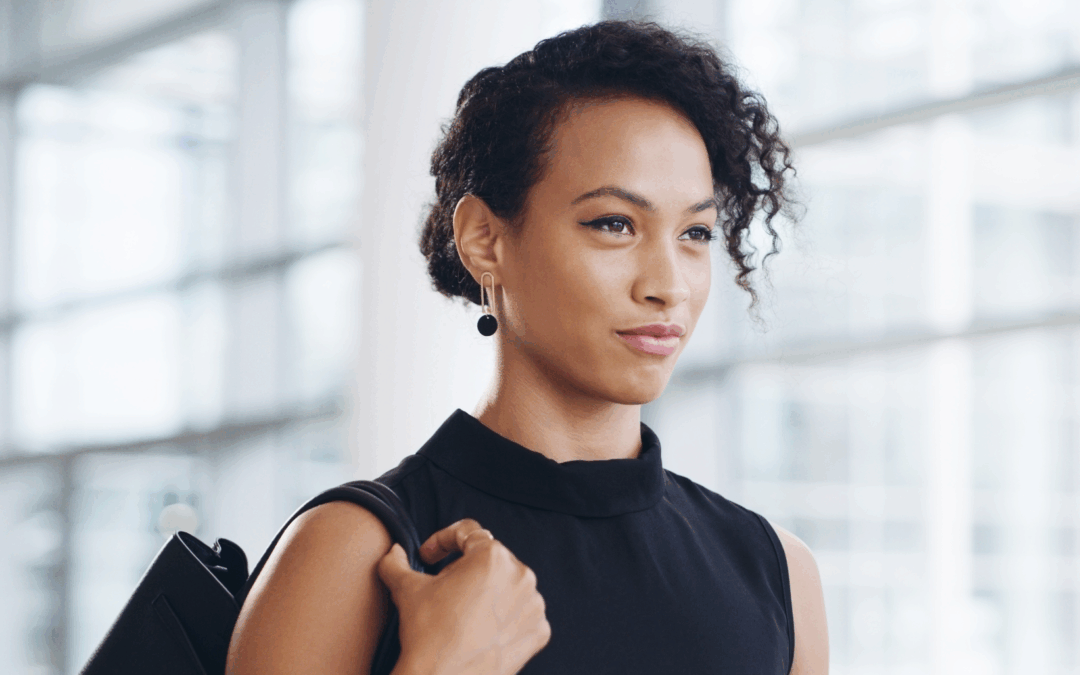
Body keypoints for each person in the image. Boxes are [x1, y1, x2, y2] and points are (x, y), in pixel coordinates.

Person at [226, 19, 828, 675]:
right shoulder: (351, 550)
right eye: (614, 223)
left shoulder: (777, 570)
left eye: (695, 233)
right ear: (485, 238)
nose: (668, 286)